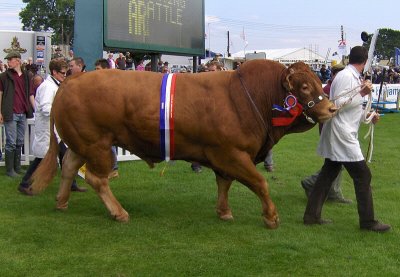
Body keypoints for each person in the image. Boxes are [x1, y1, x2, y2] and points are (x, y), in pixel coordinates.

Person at [303, 46, 391, 232]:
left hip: (343, 131)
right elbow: (335, 105)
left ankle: (311, 216)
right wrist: (361, 94)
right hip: (341, 133)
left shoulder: (352, 77)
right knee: (363, 175)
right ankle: (368, 222)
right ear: (365, 61)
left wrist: (368, 117)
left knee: (328, 174)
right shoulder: (345, 77)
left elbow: (353, 109)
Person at [301, 64, 352, 204]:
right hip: (330, 128)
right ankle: (312, 182)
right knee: (338, 161)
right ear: (334, 75)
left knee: (335, 161)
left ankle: (332, 192)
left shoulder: (332, 88)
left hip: (335, 128)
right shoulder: (328, 90)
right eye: (340, 75)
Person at [18, 59, 68, 195]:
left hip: (53, 129)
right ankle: (24, 183)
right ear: (54, 72)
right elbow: (46, 108)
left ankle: (71, 183)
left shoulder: (54, 85)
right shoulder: (48, 87)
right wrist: (62, 114)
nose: (65, 75)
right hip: (47, 128)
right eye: (62, 73)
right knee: (42, 157)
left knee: (65, 156)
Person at [0, 51, 34, 177]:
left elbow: (30, 94)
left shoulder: (26, 75)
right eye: (8, 60)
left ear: (18, 61)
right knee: (11, 142)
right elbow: (0, 94)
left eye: (10, 60)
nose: (8, 62)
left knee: (19, 141)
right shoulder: (4, 76)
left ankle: (17, 167)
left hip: (22, 112)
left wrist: (35, 108)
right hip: (11, 112)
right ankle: (10, 170)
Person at [94, 58, 119, 179]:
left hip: (110, 117)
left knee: (110, 143)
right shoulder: (101, 82)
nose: (96, 72)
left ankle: (113, 169)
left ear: (105, 69)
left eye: (98, 69)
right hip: (104, 116)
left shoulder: (111, 83)